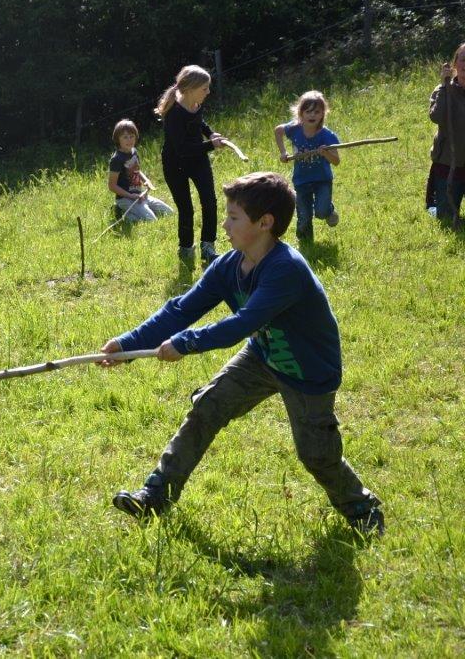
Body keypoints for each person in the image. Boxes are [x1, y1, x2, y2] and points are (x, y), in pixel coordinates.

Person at [100, 171, 384, 536]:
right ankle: (156, 495)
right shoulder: (228, 266)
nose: (225, 225)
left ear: (265, 223)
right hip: (263, 356)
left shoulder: (286, 269)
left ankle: (362, 508)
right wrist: (126, 345)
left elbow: (242, 323)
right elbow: (181, 309)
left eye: (234, 217)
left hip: (307, 371)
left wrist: (185, 343)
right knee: (207, 408)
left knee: (316, 454)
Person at [156, 65, 226, 264]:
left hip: (198, 160)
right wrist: (211, 145)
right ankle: (186, 249)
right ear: (190, 89)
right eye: (204, 88)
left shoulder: (196, 103)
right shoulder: (174, 113)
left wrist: (210, 133)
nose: (208, 92)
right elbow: (183, 149)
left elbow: (199, 122)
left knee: (209, 201)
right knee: (186, 208)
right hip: (175, 164)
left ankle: (208, 247)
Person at [274, 91, 340, 242]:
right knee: (304, 215)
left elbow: (336, 161)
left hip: (322, 180)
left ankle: (328, 211)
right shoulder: (294, 129)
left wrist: (326, 153)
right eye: (308, 111)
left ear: (323, 114)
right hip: (301, 180)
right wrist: (283, 152)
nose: (312, 115)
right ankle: (306, 243)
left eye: (316, 112)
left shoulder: (327, 135)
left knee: (321, 212)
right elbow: (278, 131)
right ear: (300, 113)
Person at [107, 119, 173, 223]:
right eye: (125, 137)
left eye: (132, 136)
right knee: (152, 220)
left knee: (169, 212)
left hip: (140, 196)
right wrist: (130, 196)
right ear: (117, 139)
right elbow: (112, 186)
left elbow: (136, 170)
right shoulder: (116, 159)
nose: (129, 140)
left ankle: (139, 211)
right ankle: (120, 211)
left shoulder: (134, 151)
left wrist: (146, 180)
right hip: (125, 198)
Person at [427, 41, 465, 221]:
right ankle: (437, 206)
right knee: (446, 217)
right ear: (455, 63)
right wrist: (444, 86)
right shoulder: (443, 90)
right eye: (463, 60)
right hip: (449, 163)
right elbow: (436, 117)